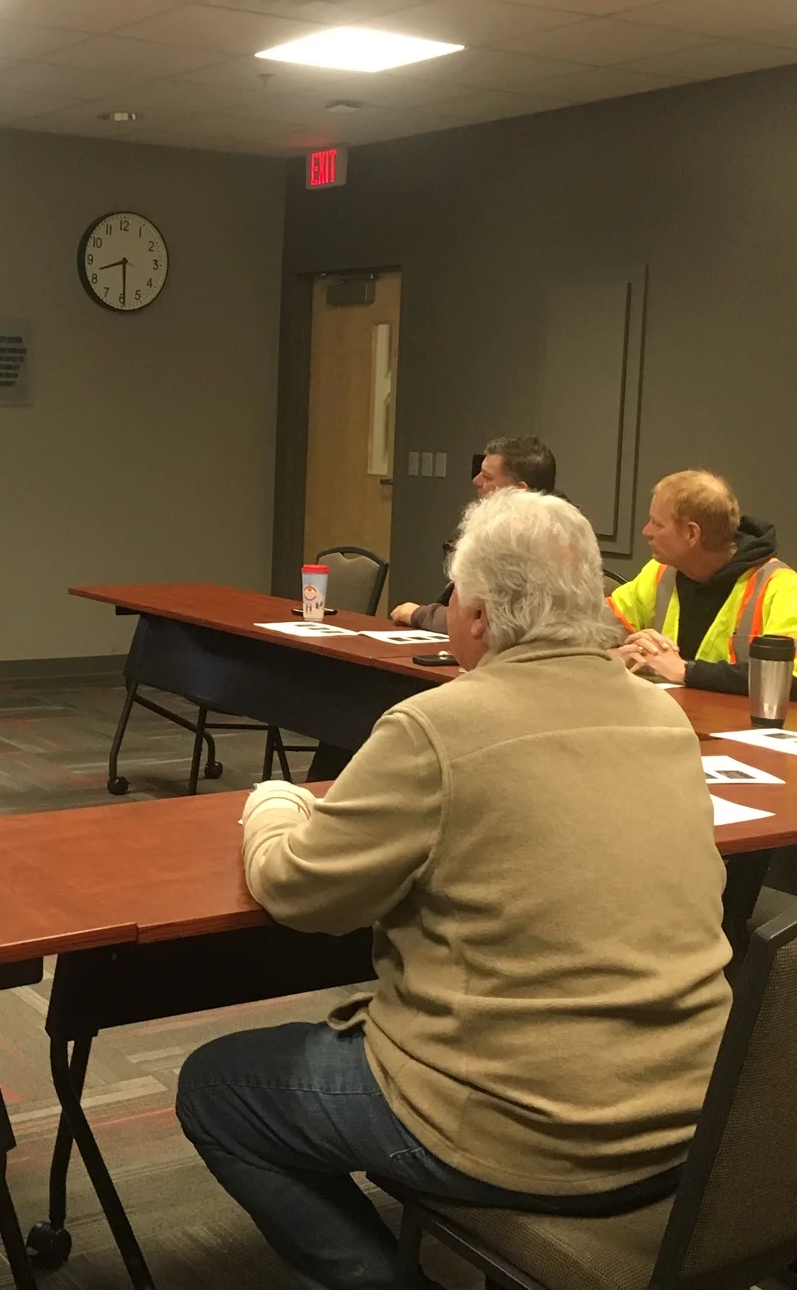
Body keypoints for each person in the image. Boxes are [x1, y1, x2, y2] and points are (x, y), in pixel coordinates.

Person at [176, 490, 732, 1290]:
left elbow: (299, 893)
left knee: (218, 1087)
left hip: (517, 1131)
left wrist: (272, 800)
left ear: (474, 616)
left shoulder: (436, 727)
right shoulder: (665, 721)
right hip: (687, 1117)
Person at [610, 468, 797, 700]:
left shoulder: (779, 586)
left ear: (692, 534)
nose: (646, 531)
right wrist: (614, 656)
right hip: (674, 720)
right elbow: (590, 630)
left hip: (739, 729)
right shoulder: (659, 573)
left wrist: (686, 671)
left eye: (657, 524)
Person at [388, 434, 557, 629]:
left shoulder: (523, 542)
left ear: (519, 490)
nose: (476, 481)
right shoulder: (559, 529)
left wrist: (420, 614)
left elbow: (486, 620)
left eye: (487, 477)